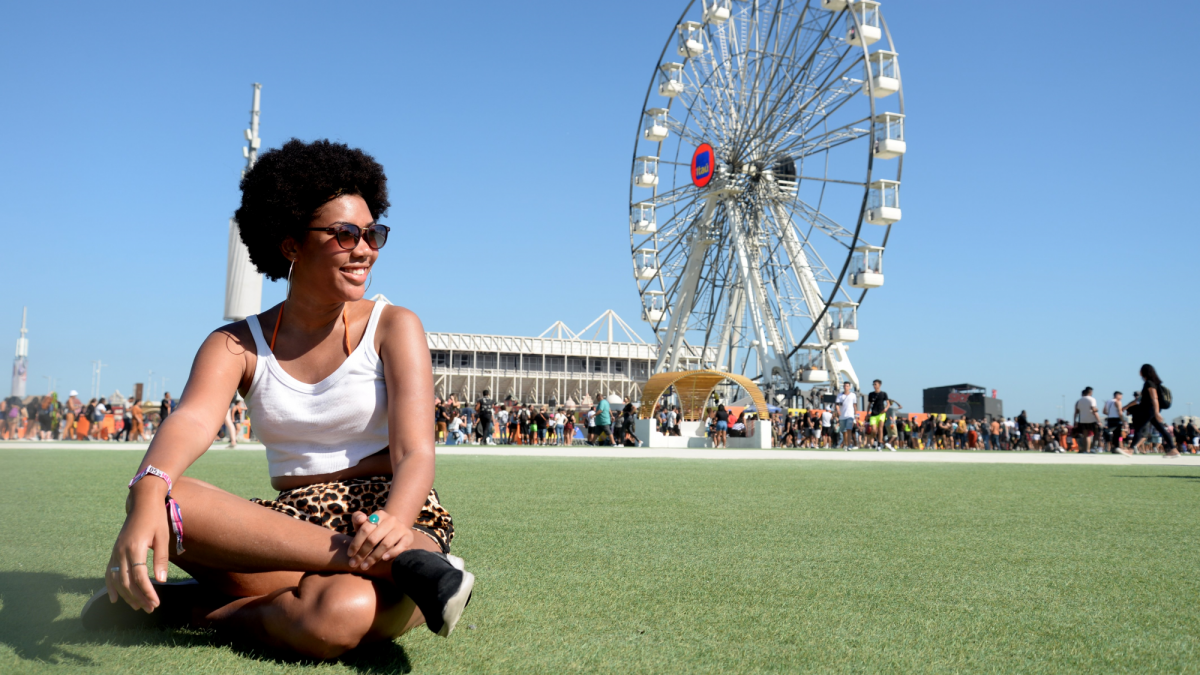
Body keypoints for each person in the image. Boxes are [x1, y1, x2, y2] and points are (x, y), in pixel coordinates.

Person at [84, 139, 473, 657]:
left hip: (392, 509)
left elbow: (414, 452)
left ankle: (189, 609)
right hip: (291, 524)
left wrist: (389, 527)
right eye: (345, 235)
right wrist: (146, 492)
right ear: (290, 245)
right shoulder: (236, 344)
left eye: (373, 234)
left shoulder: (395, 326)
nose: (365, 249)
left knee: (341, 614)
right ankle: (403, 572)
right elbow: (194, 421)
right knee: (168, 500)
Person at [1121, 363, 1177, 457]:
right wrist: (1126, 406)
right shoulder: (1151, 383)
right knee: (1161, 429)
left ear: (1144, 372)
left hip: (1150, 410)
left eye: (1140, 370)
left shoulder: (1149, 383)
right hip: (1151, 410)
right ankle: (1174, 450)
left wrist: (1156, 412)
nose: (1139, 372)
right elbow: (1139, 400)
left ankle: (1130, 450)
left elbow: (1154, 398)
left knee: (1139, 429)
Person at [866, 379, 900, 451]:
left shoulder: (884, 394)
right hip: (873, 414)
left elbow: (888, 403)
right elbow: (869, 405)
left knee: (880, 429)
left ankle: (879, 444)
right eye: (873, 384)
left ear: (879, 385)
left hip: (881, 413)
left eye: (875, 384)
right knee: (874, 430)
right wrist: (867, 413)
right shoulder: (871, 394)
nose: (874, 386)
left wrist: (886, 408)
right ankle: (875, 440)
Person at [1072, 387, 1101, 454]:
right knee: (1095, 434)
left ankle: (1085, 450)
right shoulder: (1092, 399)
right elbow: (1094, 410)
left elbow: (1076, 412)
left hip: (1082, 420)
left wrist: (1074, 421)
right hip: (1091, 419)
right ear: (1090, 392)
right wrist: (1098, 420)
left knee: (1085, 435)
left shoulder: (1079, 401)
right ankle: (1091, 449)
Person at [835, 382, 857, 450]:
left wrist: (855, 415)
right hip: (842, 415)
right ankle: (846, 444)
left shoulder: (853, 395)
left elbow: (855, 405)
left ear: (850, 387)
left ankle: (849, 445)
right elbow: (837, 404)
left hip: (850, 415)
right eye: (844, 386)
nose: (846, 387)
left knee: (849, 429)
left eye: (847, 386)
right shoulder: (840, 395)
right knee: (844, 431)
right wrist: (838, 411)